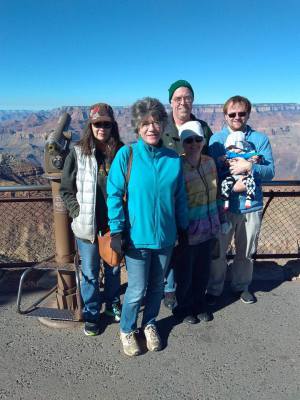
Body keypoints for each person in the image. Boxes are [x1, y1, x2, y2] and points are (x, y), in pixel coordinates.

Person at [107, 97, 188, 356]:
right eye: (145, 123)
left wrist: (183, 228)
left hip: (165, 237)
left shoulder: (173, 160)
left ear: (163, 125)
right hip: (136, 238)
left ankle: (150, 323)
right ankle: (127, 329)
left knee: (157, 287)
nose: (151, 128)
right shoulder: (127, 155)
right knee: (136, 289)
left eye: (156, 122)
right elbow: (113, 193)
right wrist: (118, 230)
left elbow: (180, 198)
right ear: (137, 127)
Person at [60, 103, 123, 336]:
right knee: (89, 272)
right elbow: (66, 189)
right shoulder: (77, 153)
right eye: (98, 124)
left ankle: (112, 304)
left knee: (114, 268)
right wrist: (76, 211)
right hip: (86, 226)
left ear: (112, 126)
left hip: (113, 225)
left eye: (107, 124)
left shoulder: (120, 152)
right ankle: (92, 313)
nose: (102, 128)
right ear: (90, 125)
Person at [207, 95, 275, 305]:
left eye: (241, 113)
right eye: (232, 114)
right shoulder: (216, 140)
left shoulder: (260, 139)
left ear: (248, 114)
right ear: (225, 115)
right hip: (223, 207)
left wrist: (250, 168)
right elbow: (210, 172)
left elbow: (270, 171)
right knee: (218, 252)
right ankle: (214, 289)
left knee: (245, 253)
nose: (237, 117)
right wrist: (228, 175)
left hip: (250, 206)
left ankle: (241, 286)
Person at [161, 79, 213, 310]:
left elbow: (207, 161)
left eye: (188, 98)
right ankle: (169, 290)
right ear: (171, 102)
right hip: (168, 202)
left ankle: (190, 296)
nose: (183, 102)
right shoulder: (161, 129)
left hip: (196, 204)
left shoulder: (203, 127)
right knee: (170, 250)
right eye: (178, 98)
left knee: (189, 255)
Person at [172, 121, 228, 324]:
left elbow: (216, 194)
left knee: (203, 271)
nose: (193, 143)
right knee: (185, 273)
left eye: (197, 139)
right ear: (182, 142)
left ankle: (199, 304)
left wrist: (221, 219)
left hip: (209, 228)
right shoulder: (177, 166)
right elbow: (174, 200)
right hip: (187, 231)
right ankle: (184, 308)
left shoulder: (209, 162)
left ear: (203, 141)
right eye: (188, 140)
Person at [220, 130, 259, 210]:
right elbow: (222, 159)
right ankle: (225, 200)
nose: (232, 150)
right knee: (225, 183)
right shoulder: (229, 155)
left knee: (250, 182)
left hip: (245, 176)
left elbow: (255, 156)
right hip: (233, 176)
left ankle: (249, 198)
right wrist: (223, 160)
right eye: (230, 148)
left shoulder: (247, 154)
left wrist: (255, 158)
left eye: (234, 147)